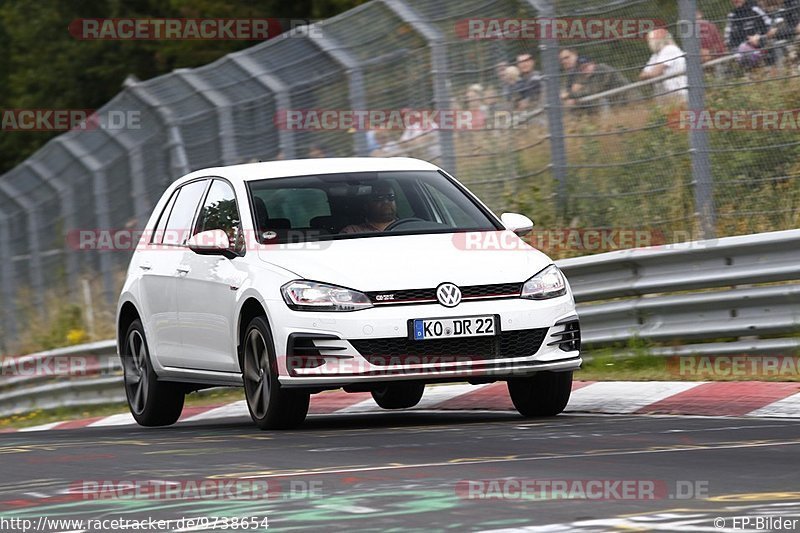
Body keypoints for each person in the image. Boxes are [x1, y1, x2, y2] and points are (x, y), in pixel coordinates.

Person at [640, 29, 687, 101]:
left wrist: (651, 73)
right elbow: (642, 75)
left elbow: (655, 73)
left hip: (678, 91)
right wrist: (652, 73)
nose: (649, 43)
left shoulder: (669, 49)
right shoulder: (656, 55)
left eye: (650, 40)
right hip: (667, 93)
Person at [725, 0, 776, 67]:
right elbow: (728, 40)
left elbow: (770, 25)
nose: (736, 1)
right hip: (742, 51)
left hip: (761, 45)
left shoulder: (755, 9)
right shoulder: (732, 15)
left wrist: (759, 37)